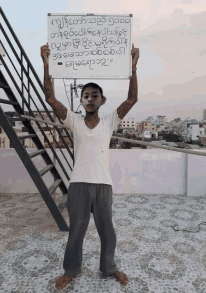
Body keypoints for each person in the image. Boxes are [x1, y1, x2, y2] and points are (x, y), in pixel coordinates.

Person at [40, 42, 139, 291]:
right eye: (86, 95)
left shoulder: (109, 121)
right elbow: (50, 97)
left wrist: (133, 67)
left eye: (95, 95)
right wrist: (46, 64)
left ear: (102, 99)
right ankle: (70, 270)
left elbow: (132, 98)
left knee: (108, 232)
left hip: (103, 184)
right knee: (77, 232)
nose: (90, 98)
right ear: (81, 100)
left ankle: (109, 268)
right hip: (79, 184)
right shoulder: (73, 120)